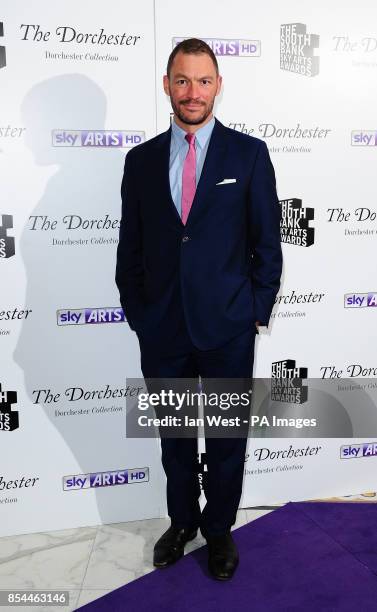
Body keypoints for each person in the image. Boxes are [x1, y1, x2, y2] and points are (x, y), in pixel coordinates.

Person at [116, 38, 282, 581]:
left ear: (218, 85)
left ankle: (218, 531)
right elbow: (131, 247)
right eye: (182, 80)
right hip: (162, 328)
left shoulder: (248, 154)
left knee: (228, 438)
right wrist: (139, 312)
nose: (193, 92)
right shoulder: (139, 161)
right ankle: (181, 521)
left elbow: (267, 243)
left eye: (203, 80)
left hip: (229, 326)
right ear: (167, 85)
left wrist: (255, 309)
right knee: (176, 438)